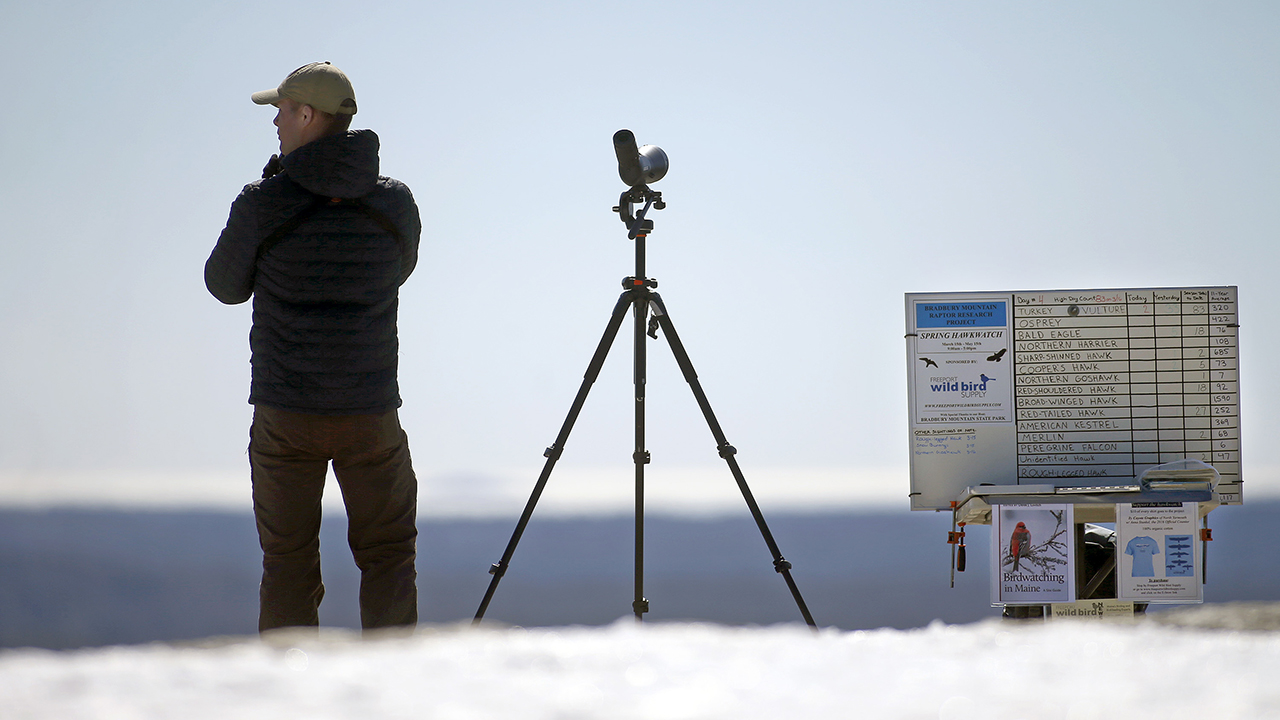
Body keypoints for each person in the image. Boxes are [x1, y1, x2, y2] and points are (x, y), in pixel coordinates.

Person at [205, 61, 422, 633]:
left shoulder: (262, 202)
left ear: (307, 115)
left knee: (289, 563)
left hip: (287, 411)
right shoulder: (394, 203)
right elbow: (400, 271)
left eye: (281, 109)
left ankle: (286, 694)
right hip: (370, 410)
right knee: (388, 556)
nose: (274, 120)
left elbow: (224, 287)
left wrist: (275, 196)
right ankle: (397, 686)